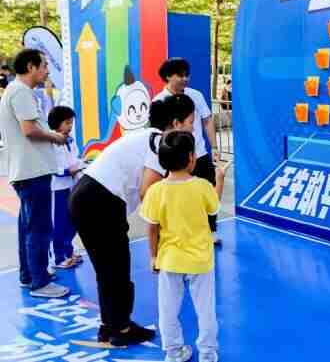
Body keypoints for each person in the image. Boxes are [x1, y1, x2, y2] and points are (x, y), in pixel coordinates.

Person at [68, 94, 195, 347]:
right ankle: (121, 330)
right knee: (116, 267)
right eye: (191, 122)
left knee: (107, 269)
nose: (193, 128)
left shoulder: (148, 137)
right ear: (176, 123)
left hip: (86, 196)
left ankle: (111, 325)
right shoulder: (159, 143)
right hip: (101, 200)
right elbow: (149, 192)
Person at [142, 130, 224, 362]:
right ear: (190, 157)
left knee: (168, 310)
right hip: (201, 260)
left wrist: (153, 256)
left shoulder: (156, 190)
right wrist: (219, 181)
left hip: (169, 259)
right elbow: (214, 208)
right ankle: (207, 353)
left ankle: (174, 352)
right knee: (205, 310)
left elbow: (152, 227)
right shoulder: (202, 186)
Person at [0, 48, 69, 298]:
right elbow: (29, 129)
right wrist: (56, 137)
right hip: (32, 172)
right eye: (44, 66)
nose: (47, 71)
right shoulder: (20, 92)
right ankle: (40, 283)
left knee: (29, 227)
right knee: (39, 228)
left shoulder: (16, 91)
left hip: (28, 171)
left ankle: (29, 275)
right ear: (31, 67)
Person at [154, 58, 221, 243]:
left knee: (208, 191)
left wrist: (214, 147)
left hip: (199, 155)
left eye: (187, 75)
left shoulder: (195, 95)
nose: (185, 79)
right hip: (175, 159)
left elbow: (207, 120)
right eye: (180, 75)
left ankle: (210, 230)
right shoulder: (159, 101)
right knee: (177, 198)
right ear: (168, 76)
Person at [48, 106, 85, 269]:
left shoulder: (70, 140)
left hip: (72, 186)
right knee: (59, 223)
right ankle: (58, 258)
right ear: (57, 123)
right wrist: (66, 171)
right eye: (67, 123)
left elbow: (75, 158)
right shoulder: (50, 141)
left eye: (71, 123)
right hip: (57, 189)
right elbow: (51, 165)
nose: (70, 126)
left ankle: (68, 251)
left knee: (73, 220)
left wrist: (82, 165)